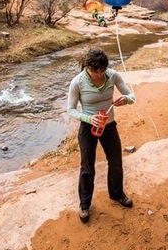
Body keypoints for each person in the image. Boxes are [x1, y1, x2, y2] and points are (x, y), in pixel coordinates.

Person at [67, 47, 135, 224]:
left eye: (102, 70)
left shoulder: (113, 76)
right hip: (88, 128)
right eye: (94, 71)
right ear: (87, 67)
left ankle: (117, 194)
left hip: (109, 126)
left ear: (106, 67)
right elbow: (71, 110)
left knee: (116, 161)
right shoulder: (77, 82)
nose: (98, 74)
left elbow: (132, 96)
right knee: (87, 166)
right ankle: (84, 205)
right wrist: (89, 118)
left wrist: (126, 99)